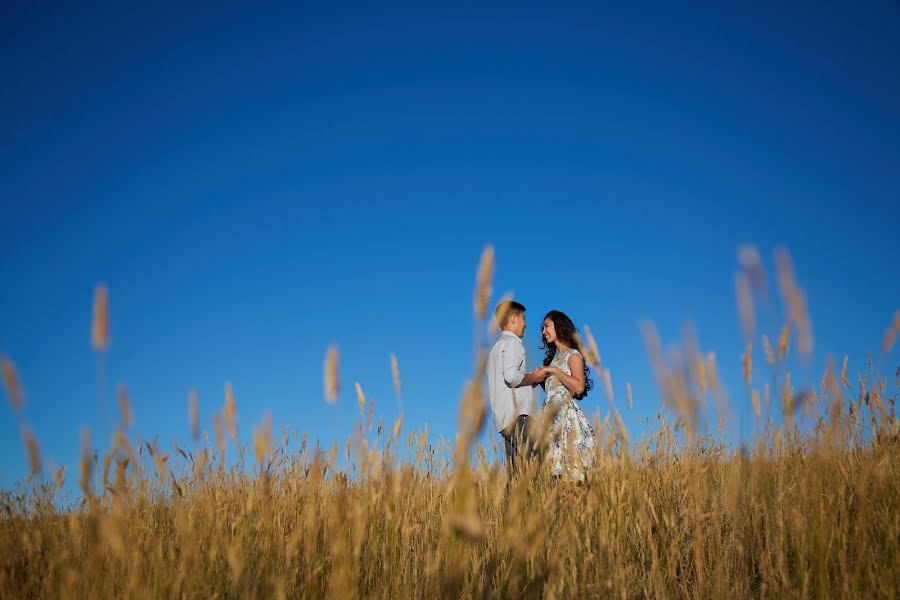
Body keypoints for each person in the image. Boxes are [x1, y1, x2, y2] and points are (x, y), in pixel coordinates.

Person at [487, 300, 546, 473]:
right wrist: (534, 376)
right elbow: (512, 377)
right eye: (523, 318)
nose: (526, 324)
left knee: (516, 475)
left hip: (504, 420)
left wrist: (531, 381)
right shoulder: (513, 343)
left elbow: (506, 383)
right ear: (513, 318)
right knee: (539, 464)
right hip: (518, 418)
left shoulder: (496, 348)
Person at [538, 310, 596, 481]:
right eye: (542, 328)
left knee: (570, 475)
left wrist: (555, 371)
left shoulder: (573, 355)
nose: (543, 331)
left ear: (559, 325)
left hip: (566, 421)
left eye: (546, 326)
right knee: (554, 478)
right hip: (550, 420)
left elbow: (578, 387)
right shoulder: (551, 360)